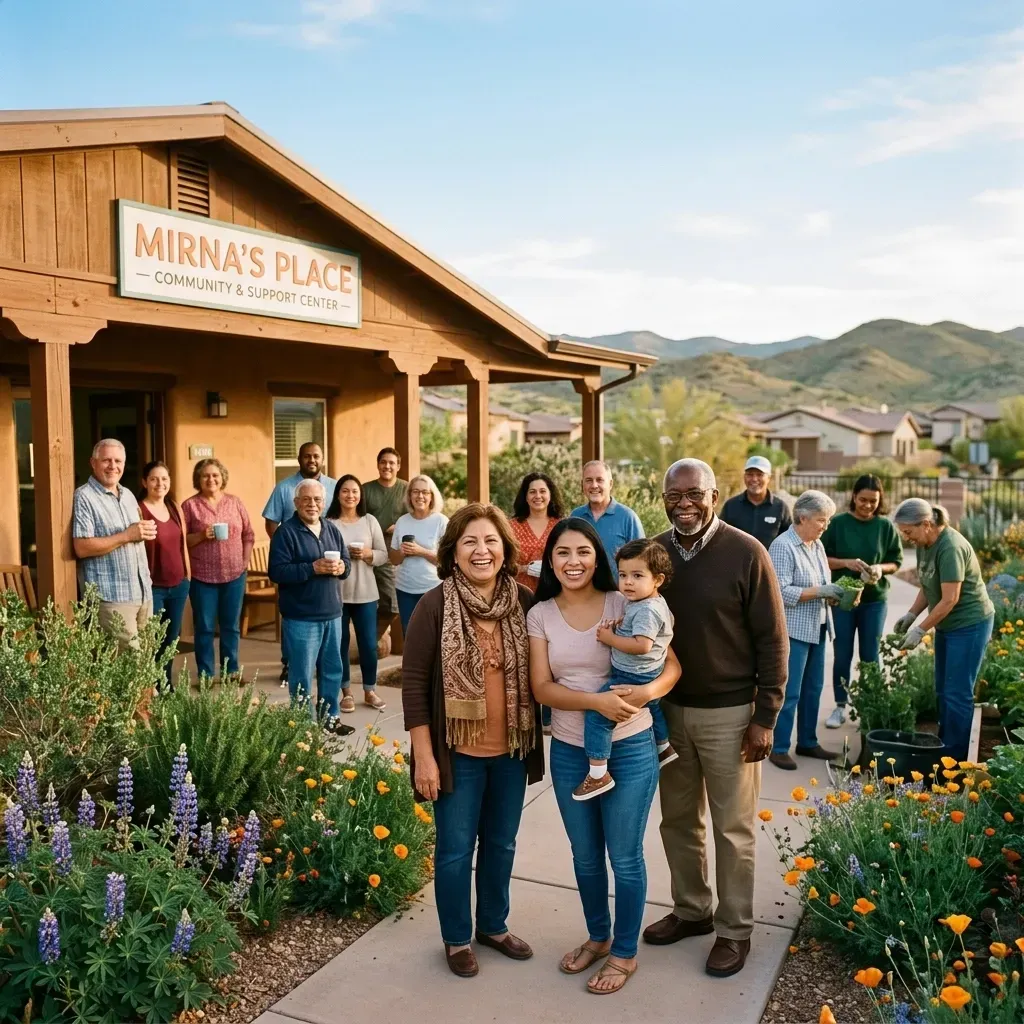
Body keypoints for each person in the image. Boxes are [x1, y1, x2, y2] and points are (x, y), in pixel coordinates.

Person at [644, 458, 788, 980]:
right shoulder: (656, 553)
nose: (683, 503)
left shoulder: (747, 552)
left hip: (731, 714)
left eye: (693, 494)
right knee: (678, 821)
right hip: (669, 711)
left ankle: (734, 930)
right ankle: (692, 911)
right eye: (673, 494)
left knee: (733, 829)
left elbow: (774, 638)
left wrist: (765, 715)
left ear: (713, 495)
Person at [529, 519, 682, 995]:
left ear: (597, 556)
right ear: (550, 560)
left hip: (631, 747)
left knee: (625, 856)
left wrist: (644, 694)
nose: (573, 561)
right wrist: (597, 702)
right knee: (586, 857)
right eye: (562, 553)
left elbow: (671, 664)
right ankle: (599, 936)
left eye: (582, 551)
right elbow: (541, 687)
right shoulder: (541, 615)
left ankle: (624, 952)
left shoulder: (626, 598)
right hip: (573, 751)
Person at [402, 503, 542, 979]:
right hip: (456, 755)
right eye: (469, 542)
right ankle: (457, 937)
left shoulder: (524, 603)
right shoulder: (434, 604)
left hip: (510, 752)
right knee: (456, 849)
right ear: (452, 552)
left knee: (501, 844)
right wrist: (425, 759)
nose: (481, 551)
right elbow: (415, 687)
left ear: (505, 549)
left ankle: (493, 927)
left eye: (490, 541)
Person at [891, 498, 995, 762]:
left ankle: (956, 760)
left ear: (926, 524)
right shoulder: (926, 544)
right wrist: (911, 615)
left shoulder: (950, 547)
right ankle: (945, 745)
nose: (906, 537)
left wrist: (921, 630)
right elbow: (928, 585)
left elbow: (950, 599)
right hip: (948, 624)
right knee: (942, 689)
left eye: (908, 532)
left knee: (957, 692)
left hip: (970, 624)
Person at [575, 538, 677, 801]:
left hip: (633, 674)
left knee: (598, 713)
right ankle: (664, 746)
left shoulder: (646, 610)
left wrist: (610, 639)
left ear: (658, 579)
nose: (628, 582)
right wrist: (622, 625)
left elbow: (642, 645)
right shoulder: (649, 603)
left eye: (637, 575)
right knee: (652, 705)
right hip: (649, 671)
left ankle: (598, 774)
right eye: (623, 575)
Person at [269, 479, 354, 736]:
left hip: (332, 612)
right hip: (301, 616)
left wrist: (342, 568)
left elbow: (346, 560)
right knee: (302, 674)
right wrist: (312, 568)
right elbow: (277, 572)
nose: (313, 504)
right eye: (306, 500)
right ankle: (303, 726)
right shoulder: (286, 532)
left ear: (324, 502)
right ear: (296, 503)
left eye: (317, 500)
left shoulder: (331, 529)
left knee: (332, 670)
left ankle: (330, 719)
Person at [767, 490, 844, 770]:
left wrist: (833, 594)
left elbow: (822, 582)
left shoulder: (817, 545)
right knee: (791, 691)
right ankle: (779, 747)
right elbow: (780, 592)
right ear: (802, 517)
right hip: (794, 630)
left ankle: (808, 742)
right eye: (822, 520)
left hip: (819, 624)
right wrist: (821, 590)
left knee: (813, 689)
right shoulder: (783, 546)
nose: (826, 526)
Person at [821, 475, 903, 728]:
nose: (868, 505)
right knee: (842, 652)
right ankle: (839, 707)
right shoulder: (838, 524)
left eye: (873, 501)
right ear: (854, 497)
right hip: (843, 600)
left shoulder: (885, 527)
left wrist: (880, 568)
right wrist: (846, 563)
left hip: (874, 601)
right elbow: (821, 556)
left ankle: (870, 706)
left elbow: (896, 561)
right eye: (863, 500)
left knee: (870, 655)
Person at [261, 441, 336, 684]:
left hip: (329, 584)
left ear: (322, 458)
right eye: (307, 456)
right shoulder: (284, 488)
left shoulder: (334, 487)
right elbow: (272, 522)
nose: (312, 460)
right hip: (296, 573)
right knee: (297, 635)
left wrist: (342, 564)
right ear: (299, 458)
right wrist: (287, 548)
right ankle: (289, 664)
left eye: (316, 455)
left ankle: (329, 715)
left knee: (329, 660)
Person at [72, 438, 154, 648]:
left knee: (145, 666)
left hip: (142, 593)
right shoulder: (84, 496)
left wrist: (141, 533)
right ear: (93, 463)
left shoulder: (127, 495)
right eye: (106, 460)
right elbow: (81, 547)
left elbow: (135, 536)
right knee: (129, 667)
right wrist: (127, 535)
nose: (113, 466)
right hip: (112, 598)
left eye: (118, 461)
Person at [181, 458, 255, 681]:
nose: (211, 479)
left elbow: (248, 534)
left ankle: (230, 671)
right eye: (205, 476)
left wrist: (245, 560)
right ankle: (205, 674)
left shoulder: (235, 502)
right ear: (198, 479)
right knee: (204, 627)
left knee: (230, 626)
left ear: (222, 478)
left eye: (215, 475)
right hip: (202, 576)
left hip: (234, 574)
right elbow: (182, 540)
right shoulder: (189, 506)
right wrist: (202, 535)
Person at [326, 474, 389, 712]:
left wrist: (367, 555)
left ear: (360, 495)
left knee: (368, 645)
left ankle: (370, 690)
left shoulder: (369, 521)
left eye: (354, 491)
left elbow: (383, 555)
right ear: (338, 494)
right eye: (345, 491)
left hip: (366, 594)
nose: (350, 495)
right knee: (339, 644)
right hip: (336, 595)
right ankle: (346, 692)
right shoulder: (329, 523)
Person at [139, 460, 191, 689]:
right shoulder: (138, 509)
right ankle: (151, 688)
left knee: (171, 640)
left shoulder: (174, 507)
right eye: (154, 479)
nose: (160, 483)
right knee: (153, 640)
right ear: (144, 482)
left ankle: (166, 685)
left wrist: (187, 576)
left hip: (179, 585)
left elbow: (182, 545)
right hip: (153, 586)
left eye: (164, 479)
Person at [390, 474, 448, 636]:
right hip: (405, 589)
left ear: (432, 496)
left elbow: (447, 560)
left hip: (433, 589)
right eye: (415, 491)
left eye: (425, 492)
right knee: (410, 636)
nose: (420, 496)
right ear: (409, 496)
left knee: (434, 636)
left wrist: (420, 551)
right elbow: (393, 560)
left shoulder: (441, 522)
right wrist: (402, 552)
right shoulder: (402, 521)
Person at [362, 448, 408, 637]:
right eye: (383, 462)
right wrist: (383, 527)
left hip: (398, 552)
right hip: (371, 551)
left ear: (398, 466)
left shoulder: (406, 489)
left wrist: (401, 526)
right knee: (371, 602)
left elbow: (416, 516)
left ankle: (372, 639)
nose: (387, 466)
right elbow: (359, 519)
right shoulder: (366, 489)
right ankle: (369, 641)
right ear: (378, 464)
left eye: (391, 463)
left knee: (392, 605)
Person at [569, 460, 644, 562]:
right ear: (582, 484)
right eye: (589, 480)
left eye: (599, 480)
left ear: (610, 484)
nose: (594, 485)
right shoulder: (575, 516)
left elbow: (641, 559)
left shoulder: (628, 518)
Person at [719, 455, 792, 549]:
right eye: (750, 474)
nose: (754, 479)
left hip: (770, 563)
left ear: (769, 478)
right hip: (737, 563)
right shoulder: (731, 506)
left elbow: (789, 540)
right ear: (744, 477)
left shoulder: (780, 507)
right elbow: (720, 537)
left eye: (760, 474)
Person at [509, 472, 564, 593]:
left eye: (543, 491)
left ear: (550, 495)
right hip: (520, 594)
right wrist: (525, 568)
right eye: (532, 492)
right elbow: (502, 563)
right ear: (526, 496)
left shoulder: (562, 526)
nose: (538, 496)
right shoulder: (511, 527)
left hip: (555, 593)